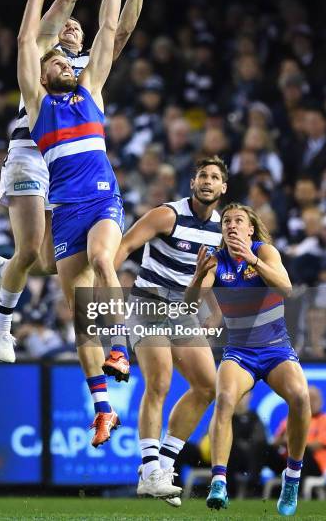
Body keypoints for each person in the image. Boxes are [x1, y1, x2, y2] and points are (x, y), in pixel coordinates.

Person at [0, 0, 147, 363]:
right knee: (30, 249)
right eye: (67, 25)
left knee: (45, 262)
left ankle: (8, 273)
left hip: (75, 167)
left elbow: (120, 26)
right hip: (31, 150)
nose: (73, 26)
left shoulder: (91, 74)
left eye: (78, 26)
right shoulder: (43, 59)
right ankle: (2, 326)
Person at [16, 0, 132, 447]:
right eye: (56, 59)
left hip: (102, 200)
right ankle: (102, 409)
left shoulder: (91, 90)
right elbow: (26, 41)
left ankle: (121, 346)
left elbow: (109, 29)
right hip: (64, 211)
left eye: (67, 59)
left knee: (107, 262)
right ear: (41, 74)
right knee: (80, 315)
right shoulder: (38, 106)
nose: (65, 61)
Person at [114, 156, 228, 502]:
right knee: (160, 381)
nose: (207, 181)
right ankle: (149, 472)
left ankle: (162, 464)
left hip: (181, 310)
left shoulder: (220, 229)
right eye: (202, 176)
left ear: (223, 188)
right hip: (147, 304)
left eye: (214, 177)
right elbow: (124, 246)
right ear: (193, 184)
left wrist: (208, 298)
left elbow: (200, 286)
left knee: (208, 386)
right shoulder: (167, 215)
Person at [186, 203, 311, 516]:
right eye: (226, 220)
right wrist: (198, 276)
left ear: (250, 228)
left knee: (300, 397)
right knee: (225, 398)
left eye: (238, 220)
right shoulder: (216, 261)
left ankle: (292, 478)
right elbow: (189, 305)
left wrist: (254, 260)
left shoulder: (265, 252)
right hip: (240, 351)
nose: (231, 225)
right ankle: (218, 482)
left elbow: (285, 288)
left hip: (276, 348)